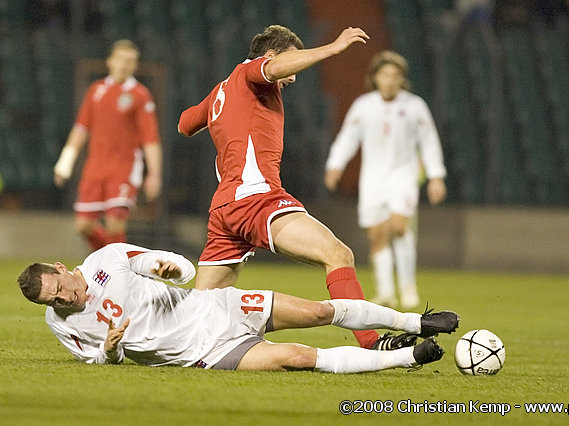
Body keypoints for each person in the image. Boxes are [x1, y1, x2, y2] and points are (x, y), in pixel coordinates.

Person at [178, 25, 414, 350]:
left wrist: (223, 112)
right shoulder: (250, 73)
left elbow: (185, 123)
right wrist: (332, 48)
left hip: (224, 209)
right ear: (270, 55)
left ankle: (141, 337)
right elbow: (273, 68)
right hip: (255, 198)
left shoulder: (224, 88)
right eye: (293, 63)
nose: (293, 77)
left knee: (199, 311)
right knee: (338, 254)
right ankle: (372, 345)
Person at [16, 243, 460, 372]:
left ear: (61, 268)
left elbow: (178, 269)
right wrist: (112, 349)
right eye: (52, 300)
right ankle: (408, 356)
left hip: (218, 307)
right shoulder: (60, 322)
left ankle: (416, 321)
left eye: (59, 288)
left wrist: (171, 269)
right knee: (298, 358)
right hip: (205, 352)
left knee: (318, 313)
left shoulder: (107, 258)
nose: (62, 299)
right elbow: (97, 360)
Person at [324, 51, 447, 310]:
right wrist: (335, 165)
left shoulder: (414, 106)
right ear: (375, 77)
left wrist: (436, 176)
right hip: (372, 180)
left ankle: (408, 287)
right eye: (385, 74)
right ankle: (386, 292)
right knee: (377, 236)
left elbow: (429, 141)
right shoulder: (364, 106)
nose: (390, 80)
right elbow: (348, 138)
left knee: (399, 227)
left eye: (395, 75)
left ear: (402, 79)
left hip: (404, 176)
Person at [54, 39, 162, 251]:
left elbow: (150, 139)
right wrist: (64, 163)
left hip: (124, 168)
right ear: (110, 61)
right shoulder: (96, 90)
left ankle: (114, 267)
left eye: (130, 61)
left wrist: (154, 175)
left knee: (114, 224)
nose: (124, 65)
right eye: (121, 59)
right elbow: (80, 129)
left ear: (135, 65)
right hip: (95, 168)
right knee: (83, 226)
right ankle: (108, 259)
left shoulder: (140, 95)